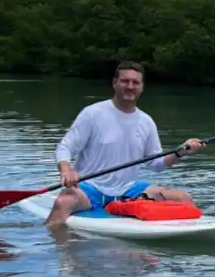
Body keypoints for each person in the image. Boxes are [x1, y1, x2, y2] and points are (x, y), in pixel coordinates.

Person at [44, 61, 204, 227]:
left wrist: (180, 152)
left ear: (142, 87)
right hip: (89, 189)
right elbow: (65, 147)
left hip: (128, 190)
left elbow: (156, 164)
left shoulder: (146, 122)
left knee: (183, 198)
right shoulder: (92, 114)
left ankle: (191, 242)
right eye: (125, 81)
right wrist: (66, 171)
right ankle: (53, 249)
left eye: (135, 82)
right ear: (115, 83)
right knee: (63, 203)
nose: (130, 86)